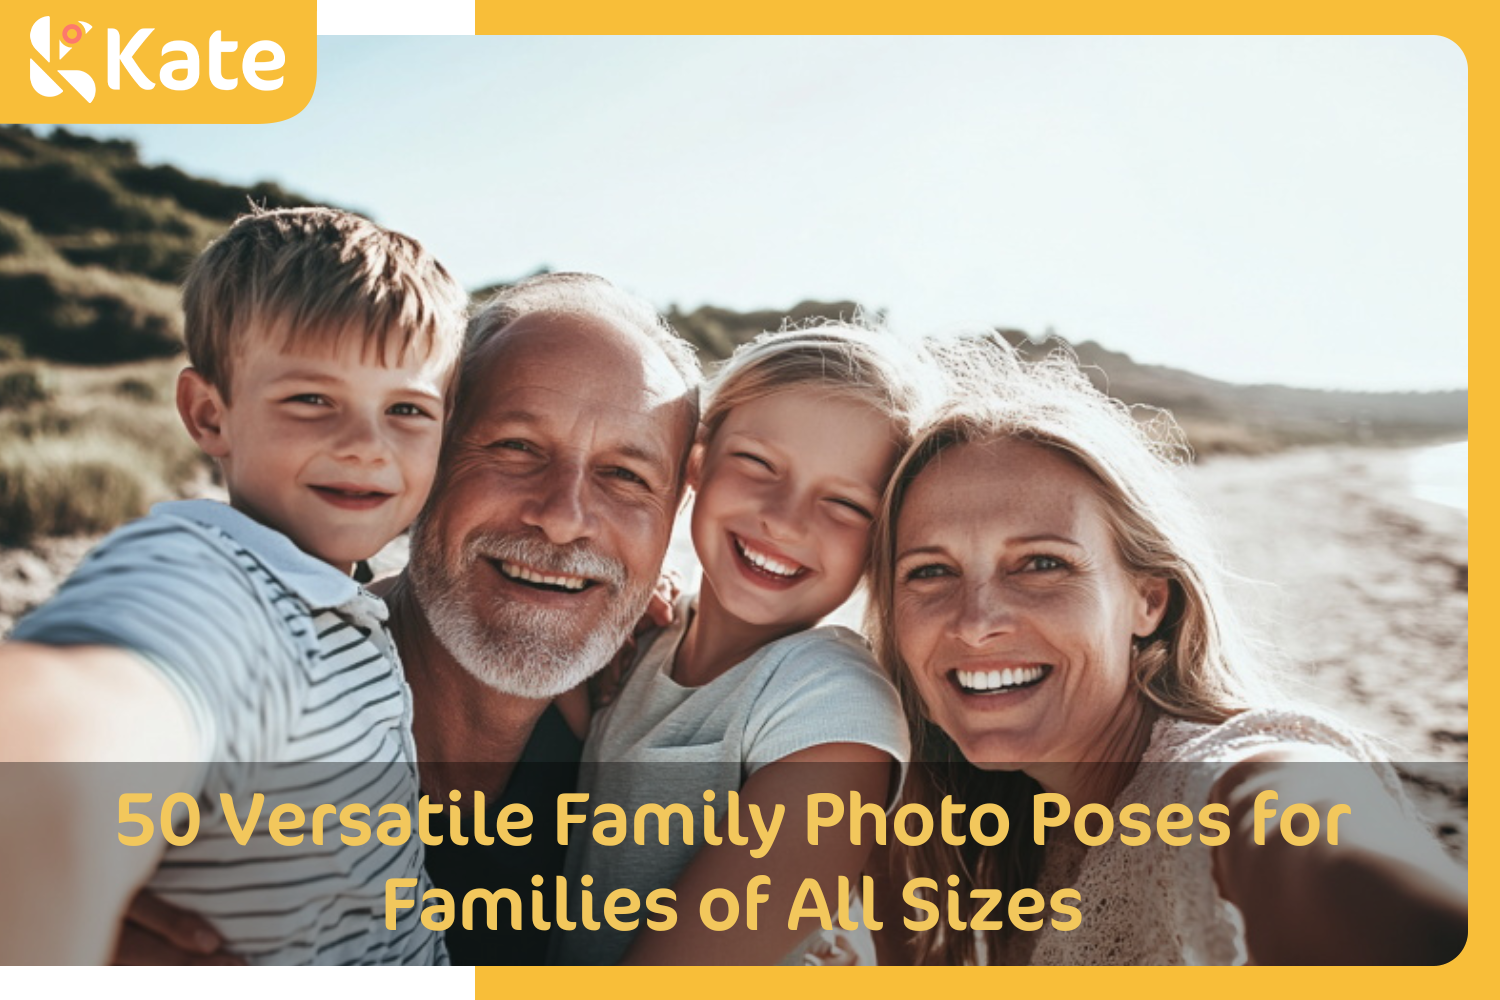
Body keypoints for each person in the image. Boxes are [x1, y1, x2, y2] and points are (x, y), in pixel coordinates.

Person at [865, 334, 1467, 965]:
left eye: (1041, 563)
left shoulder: (1233, 780)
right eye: (930, 571)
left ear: (1149, 600)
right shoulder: (1007, 838)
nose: (976, 621)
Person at [0, 206, 470, 964]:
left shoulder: (342, 598)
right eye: (312, 399)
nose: (365, 446)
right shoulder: (217, 577)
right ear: (209, 414)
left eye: (408, 409)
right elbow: (82, 719)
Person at [553, 325, 929, 965]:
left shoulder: (833, 703)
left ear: (882, 544)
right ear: (696, 461)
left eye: (844, 503)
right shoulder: (643, 644)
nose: (784, 519)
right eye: (758, 464)